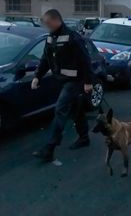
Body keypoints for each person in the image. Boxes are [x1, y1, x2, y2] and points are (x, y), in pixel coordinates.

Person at [32, 9, 94, 162]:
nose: (46, 26)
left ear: (55, 20)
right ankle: (84, 137)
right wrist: (37, 76)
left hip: (75, 82)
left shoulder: (72, 37)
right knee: (76, 110)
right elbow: (45, 59)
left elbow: (85, 60)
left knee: (60, 110)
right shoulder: (51, 37)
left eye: (47, 23)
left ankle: (49, 148)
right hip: (63, 81)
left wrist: (88, 82)